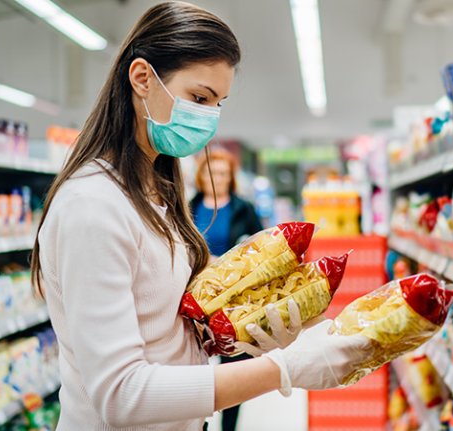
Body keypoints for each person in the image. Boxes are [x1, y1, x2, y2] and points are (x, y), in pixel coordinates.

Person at [30, 2, 371, 430]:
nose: (209, 117)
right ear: (141, 78)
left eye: (218, 103)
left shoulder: (159, 193)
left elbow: (166, 332)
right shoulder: (92, 206)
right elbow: (119, 394)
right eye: (199, 98)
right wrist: (282, 371)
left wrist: (245, 335)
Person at [191, 149, 262, 431]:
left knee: (233, 363)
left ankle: (228, 426)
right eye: (211, 172)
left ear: (231, 177)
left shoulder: (244, 210)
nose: (216, 178)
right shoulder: (188, 206)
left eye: (222, 173)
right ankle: (198, 421)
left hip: (235, 299)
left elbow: (261, 247)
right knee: (193, 361)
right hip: (197, 297)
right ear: (201, 176)